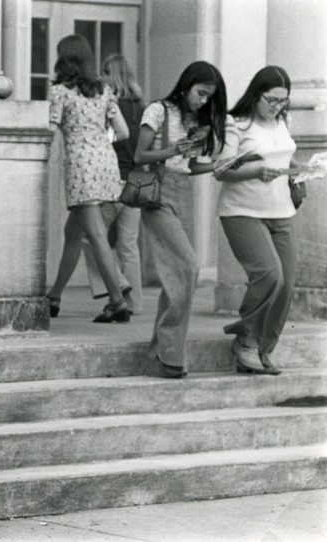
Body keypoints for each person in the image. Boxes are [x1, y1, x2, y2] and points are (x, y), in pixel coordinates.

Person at [133, 61, 227, 378]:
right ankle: (170, 355)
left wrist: (216, 166)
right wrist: (175, 148)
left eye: (209, 97)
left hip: (183, 192)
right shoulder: (158, 111)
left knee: (178, 274)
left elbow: (188, 166)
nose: (203, 101)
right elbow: (140, 155)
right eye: (201, 93)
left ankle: (160, 351)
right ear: (187, 85)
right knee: (188, 266)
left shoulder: (195, 119)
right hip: (157, 194)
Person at [214, 66, 299, 376]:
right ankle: (246, 343)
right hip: (242, 211)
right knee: (269, 274)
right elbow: (221, 171)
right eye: (272, 100)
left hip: (281, 211)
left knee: (287, 284)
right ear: (256, 94)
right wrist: (255, 171)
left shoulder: (280, 122)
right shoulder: (237, 124)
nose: (277, 107)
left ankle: (262, 350)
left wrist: (296, 168)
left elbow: (283, 155)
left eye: (284, 102)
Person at [45, 34, 132, 323]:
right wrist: (98, 139)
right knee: (73, 234)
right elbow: (123, 132)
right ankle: (54, 296)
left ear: (64, 58)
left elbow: (51, 129)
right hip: (106, 164)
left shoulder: (60, 91)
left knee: (96, 236)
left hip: (81, 167)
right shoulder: (104, 89)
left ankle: (118, 301)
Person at [82, 54, 146, 315]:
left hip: (114, 179)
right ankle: (136, 303)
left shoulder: (109, 106)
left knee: (91, 237)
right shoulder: (144, 108)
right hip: (140, 180)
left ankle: (119, 283)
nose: (101, 76)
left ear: (115, 75)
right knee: (129, 245)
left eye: (105, 72)